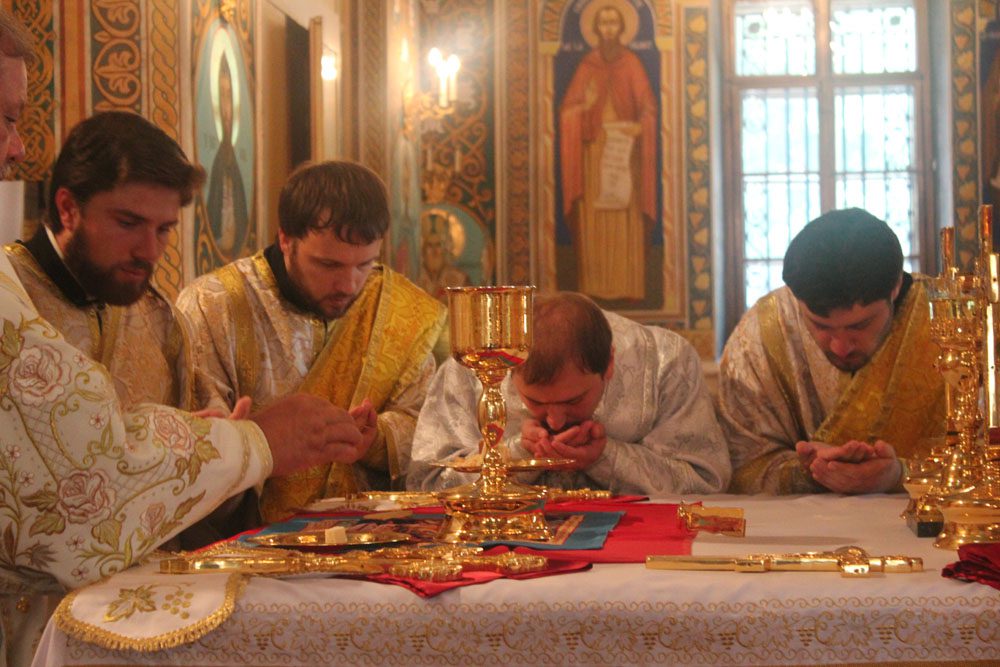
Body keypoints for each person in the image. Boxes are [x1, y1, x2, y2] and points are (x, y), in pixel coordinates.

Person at [0, 13, 366, 666]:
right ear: (67, 208)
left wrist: (216, 450)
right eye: (128, 223)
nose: (149, 250)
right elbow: (79, 483)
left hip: (141, 617)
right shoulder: (15, 298)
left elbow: (181, 483)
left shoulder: (159, 319)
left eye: (165, 229)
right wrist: (249, 443)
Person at [178, 160, 447, 522]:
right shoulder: (216, 305)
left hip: (374, 534)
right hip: (249, 538)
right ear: (285, 239)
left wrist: (377, 439)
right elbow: (198, 447)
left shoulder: (399, 309)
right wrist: (245, 442)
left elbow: (427, 426)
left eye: (364, 265)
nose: (348, 285)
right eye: (328, 265)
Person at [408, 291, 730, 495]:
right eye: (535, 401)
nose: (556, 421)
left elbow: (706, 482)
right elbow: (426, 484)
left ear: (609, 364)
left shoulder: (665, 361)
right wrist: (519, 453)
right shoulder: (474, 368)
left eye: (573, 400)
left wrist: (606, 457)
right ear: (512, 373)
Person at [718, 208, 946, 495]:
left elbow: (986, 460)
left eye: (859, 325)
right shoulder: (762, 333)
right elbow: (741, 466)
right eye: (820, 325)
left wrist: (901, 475)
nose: (840, 346)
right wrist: (811, 471)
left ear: (896, 286)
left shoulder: (948, 322)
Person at [559, 2, 657, 301]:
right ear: (596, 28)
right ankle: (595, 286)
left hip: (625, 151)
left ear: (622, 27)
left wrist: (640, 127)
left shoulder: (631, 64)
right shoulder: (587, 66)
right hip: (593, 153)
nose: (609, 29)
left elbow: (649, 109)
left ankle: (627, 285)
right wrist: (586, 107)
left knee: (623, 216)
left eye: (614, 23)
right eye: (604, 23)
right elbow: (567, 113)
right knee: (597, 219)